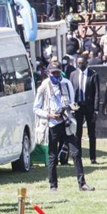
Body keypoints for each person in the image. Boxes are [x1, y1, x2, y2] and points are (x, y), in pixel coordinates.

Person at [33, 61, 95, 192]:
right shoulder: (43, 87)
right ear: (48, 73)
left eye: (58, 73)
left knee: (76, 153)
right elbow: (36, 108)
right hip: (52, 124)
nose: (57, 75)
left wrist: (70, 109)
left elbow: (72, 102)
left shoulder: (66, 83)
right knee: (52, 156)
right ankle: (53, 185)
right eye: (54, 73)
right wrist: (49, 115)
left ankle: (82, 183)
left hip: (66, 122)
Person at [70, 54, 100, 164]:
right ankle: (78, 156)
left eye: (82, 63)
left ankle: (93, 157)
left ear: (86, 63)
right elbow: (71, 91)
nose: (80, 65)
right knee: (77, 133)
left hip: (89, 107)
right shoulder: (73, 74)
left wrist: (96, 110)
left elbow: (96, 93)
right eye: (78, 63)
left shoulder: (93, 74)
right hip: (77, 108)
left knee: (91, 133)